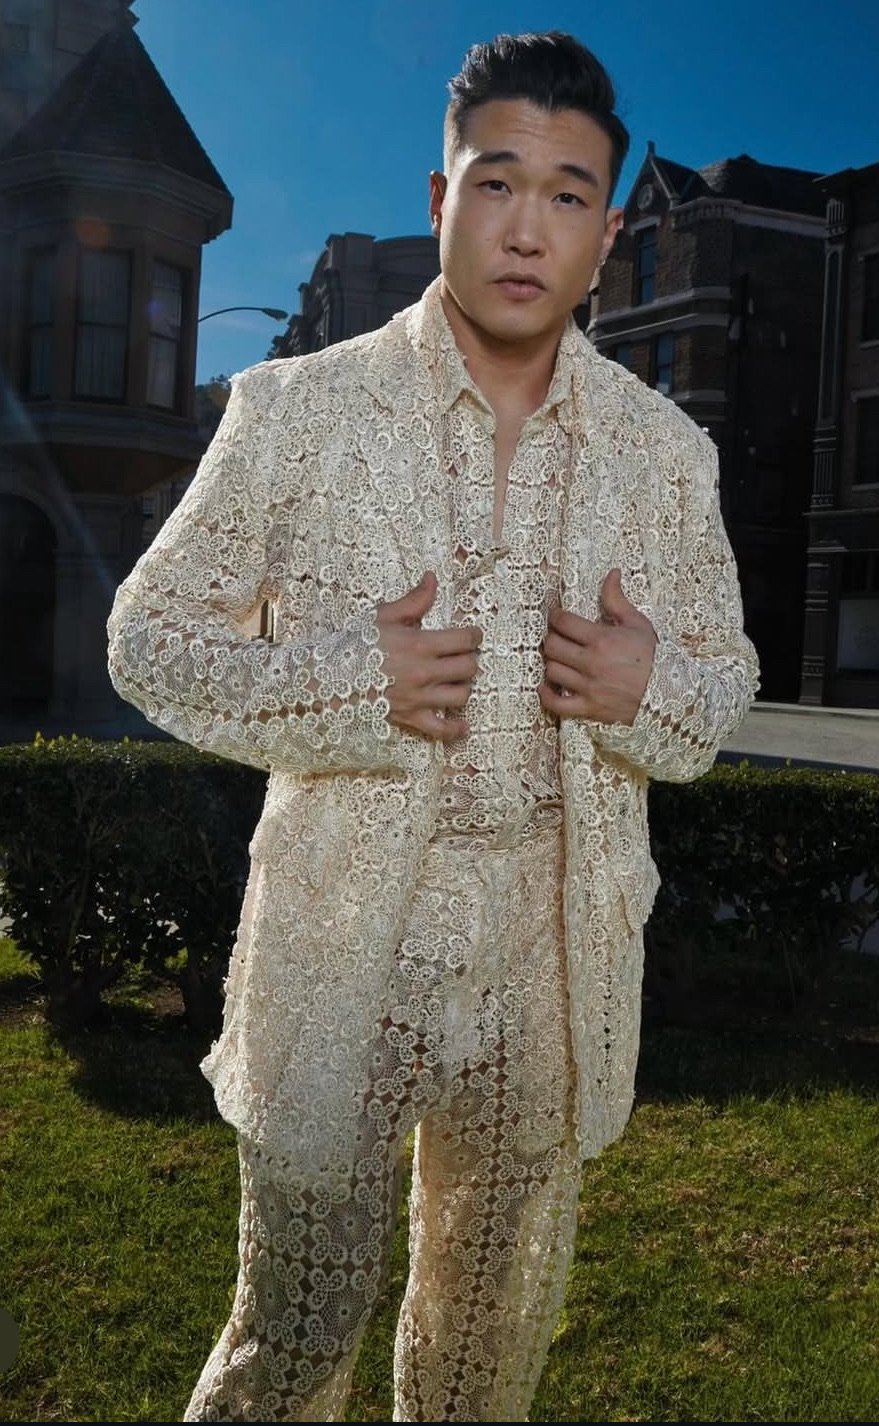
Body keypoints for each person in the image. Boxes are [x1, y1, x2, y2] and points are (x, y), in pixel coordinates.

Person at [107, 30, 758, 1424]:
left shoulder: (665, 455)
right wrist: (351, 682)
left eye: (572, 194)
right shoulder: (295, 415)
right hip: (343, 953)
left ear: (605, 226)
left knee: (483, 1361)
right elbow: (146, 640)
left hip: (553, 965)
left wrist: (655, 691)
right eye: (498, 181)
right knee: (290, 1341)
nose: (530, 227)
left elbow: (722, 696)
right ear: (440, 197)